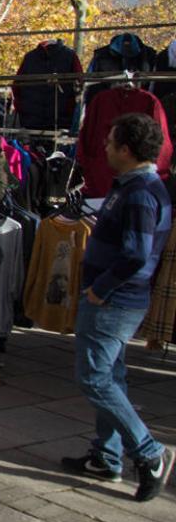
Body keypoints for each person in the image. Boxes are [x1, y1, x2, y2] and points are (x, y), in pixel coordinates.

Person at [62, 113, 174, 502]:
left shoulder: (141, 192)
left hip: (113, 302)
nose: (105, 147)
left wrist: (100, 290)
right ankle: (106, 456)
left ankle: (149, 453)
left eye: (110, 142)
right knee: (112, 376)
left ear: (126, 150)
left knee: (94, 378)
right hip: (113, 299)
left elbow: (136, 255)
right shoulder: (129, 186)